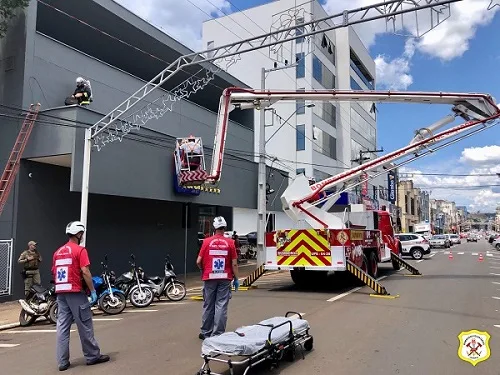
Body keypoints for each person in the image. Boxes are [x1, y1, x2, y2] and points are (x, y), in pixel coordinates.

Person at [52, 221, 109, 371]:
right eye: (81, 234)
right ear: (78, 234)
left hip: (61, 293)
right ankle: (92, 356)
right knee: (85, 325)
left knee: (62, 327)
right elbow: (85, 272)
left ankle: (62, 361)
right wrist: (93, 290)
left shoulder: (57, 252)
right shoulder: (80, 250)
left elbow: (54, 272)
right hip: (75, 292)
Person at [197, 216, 239, 340]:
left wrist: (203, 270)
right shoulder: (230, 242)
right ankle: (218, 334)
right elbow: (234, 263)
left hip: (209, 277)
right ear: (224, 227)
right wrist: (236, 278)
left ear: (214, 228)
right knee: (221, 305)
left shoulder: (206, 241)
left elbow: (198, 261)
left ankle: (206, 332)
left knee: (208, 304)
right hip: (225, 278)